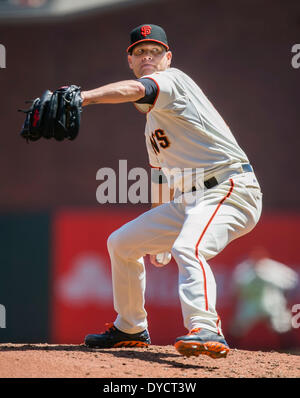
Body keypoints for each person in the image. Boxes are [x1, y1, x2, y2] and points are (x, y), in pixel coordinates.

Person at [83, 24, 263, 359]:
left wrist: (84, 97)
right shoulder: (153, 124)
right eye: (139, 52)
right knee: (122, 244)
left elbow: (136, 89)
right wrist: (158, 228)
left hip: (230, 187)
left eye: (154, 51)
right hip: (189, 200)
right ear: (130, 60)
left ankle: (207, 326)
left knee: (189, 246)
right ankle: (131, 327)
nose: (146, 56)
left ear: (167, 58)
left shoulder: (173, 80)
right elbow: (161, 179)